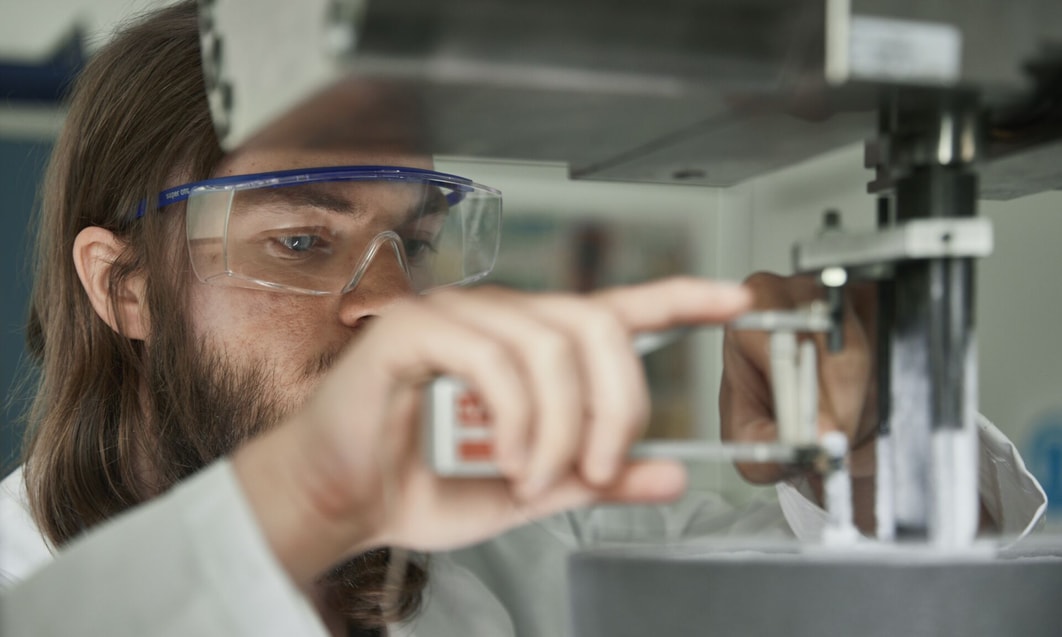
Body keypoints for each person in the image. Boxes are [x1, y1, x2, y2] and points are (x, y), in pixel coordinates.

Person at [0, 3, 1046, 636]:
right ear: (123, 286)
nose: (389, 306)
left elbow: (860, 609)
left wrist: (872, 459)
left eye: (410, 244)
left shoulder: (517, 544)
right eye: (301, 242)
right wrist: (303, 493)